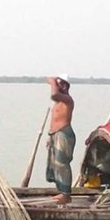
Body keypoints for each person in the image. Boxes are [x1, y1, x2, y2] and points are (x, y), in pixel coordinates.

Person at [45, 75, 76, 204]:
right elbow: (54, 119)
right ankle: (61, 191)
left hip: (64, 133)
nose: (59, 86)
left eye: (62, 84)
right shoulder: (58, 103)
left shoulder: (68, 100)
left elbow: (54, 95)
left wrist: (52, 81)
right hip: (55, 134)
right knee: (55, 165)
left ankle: (66, 194)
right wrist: (50, 135)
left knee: (62, 164)